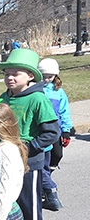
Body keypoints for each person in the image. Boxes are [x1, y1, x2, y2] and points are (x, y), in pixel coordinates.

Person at [0, 49, 60, 220]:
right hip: (7, 160)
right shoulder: (5, 97)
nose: (10, 78)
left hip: (29, 163)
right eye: (7, 74)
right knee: (14, 203)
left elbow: (52, 133)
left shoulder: (38, 99)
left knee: (30, 205)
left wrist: (29, 147)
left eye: (16, 74)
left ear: (30, 76)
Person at [38, 58, 72, 211]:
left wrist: (66, 130)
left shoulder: (58, 92)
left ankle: (46, 179)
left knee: (57, 156)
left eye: (49, 77)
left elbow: (64, 111)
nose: (46, 79)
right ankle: (46, 186)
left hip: (56, 130)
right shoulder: (37, 89)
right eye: (43, 76)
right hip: (41, 131)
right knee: (43, 161)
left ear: (55, 76)